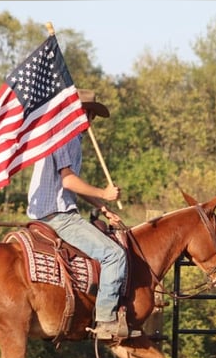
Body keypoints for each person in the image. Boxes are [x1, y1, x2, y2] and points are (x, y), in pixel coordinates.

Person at [27, 89, 137, 340]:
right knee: (114, 255)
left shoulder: (56, 135)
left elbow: (72, 184)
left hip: (45, 212)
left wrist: (102, 206)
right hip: (58, 215)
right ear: (77, 112)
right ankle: (106, 321)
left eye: (92, 116)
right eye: (89, 114)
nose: (90, 122)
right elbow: (68, 182)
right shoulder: (67, 137)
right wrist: (104, 192)